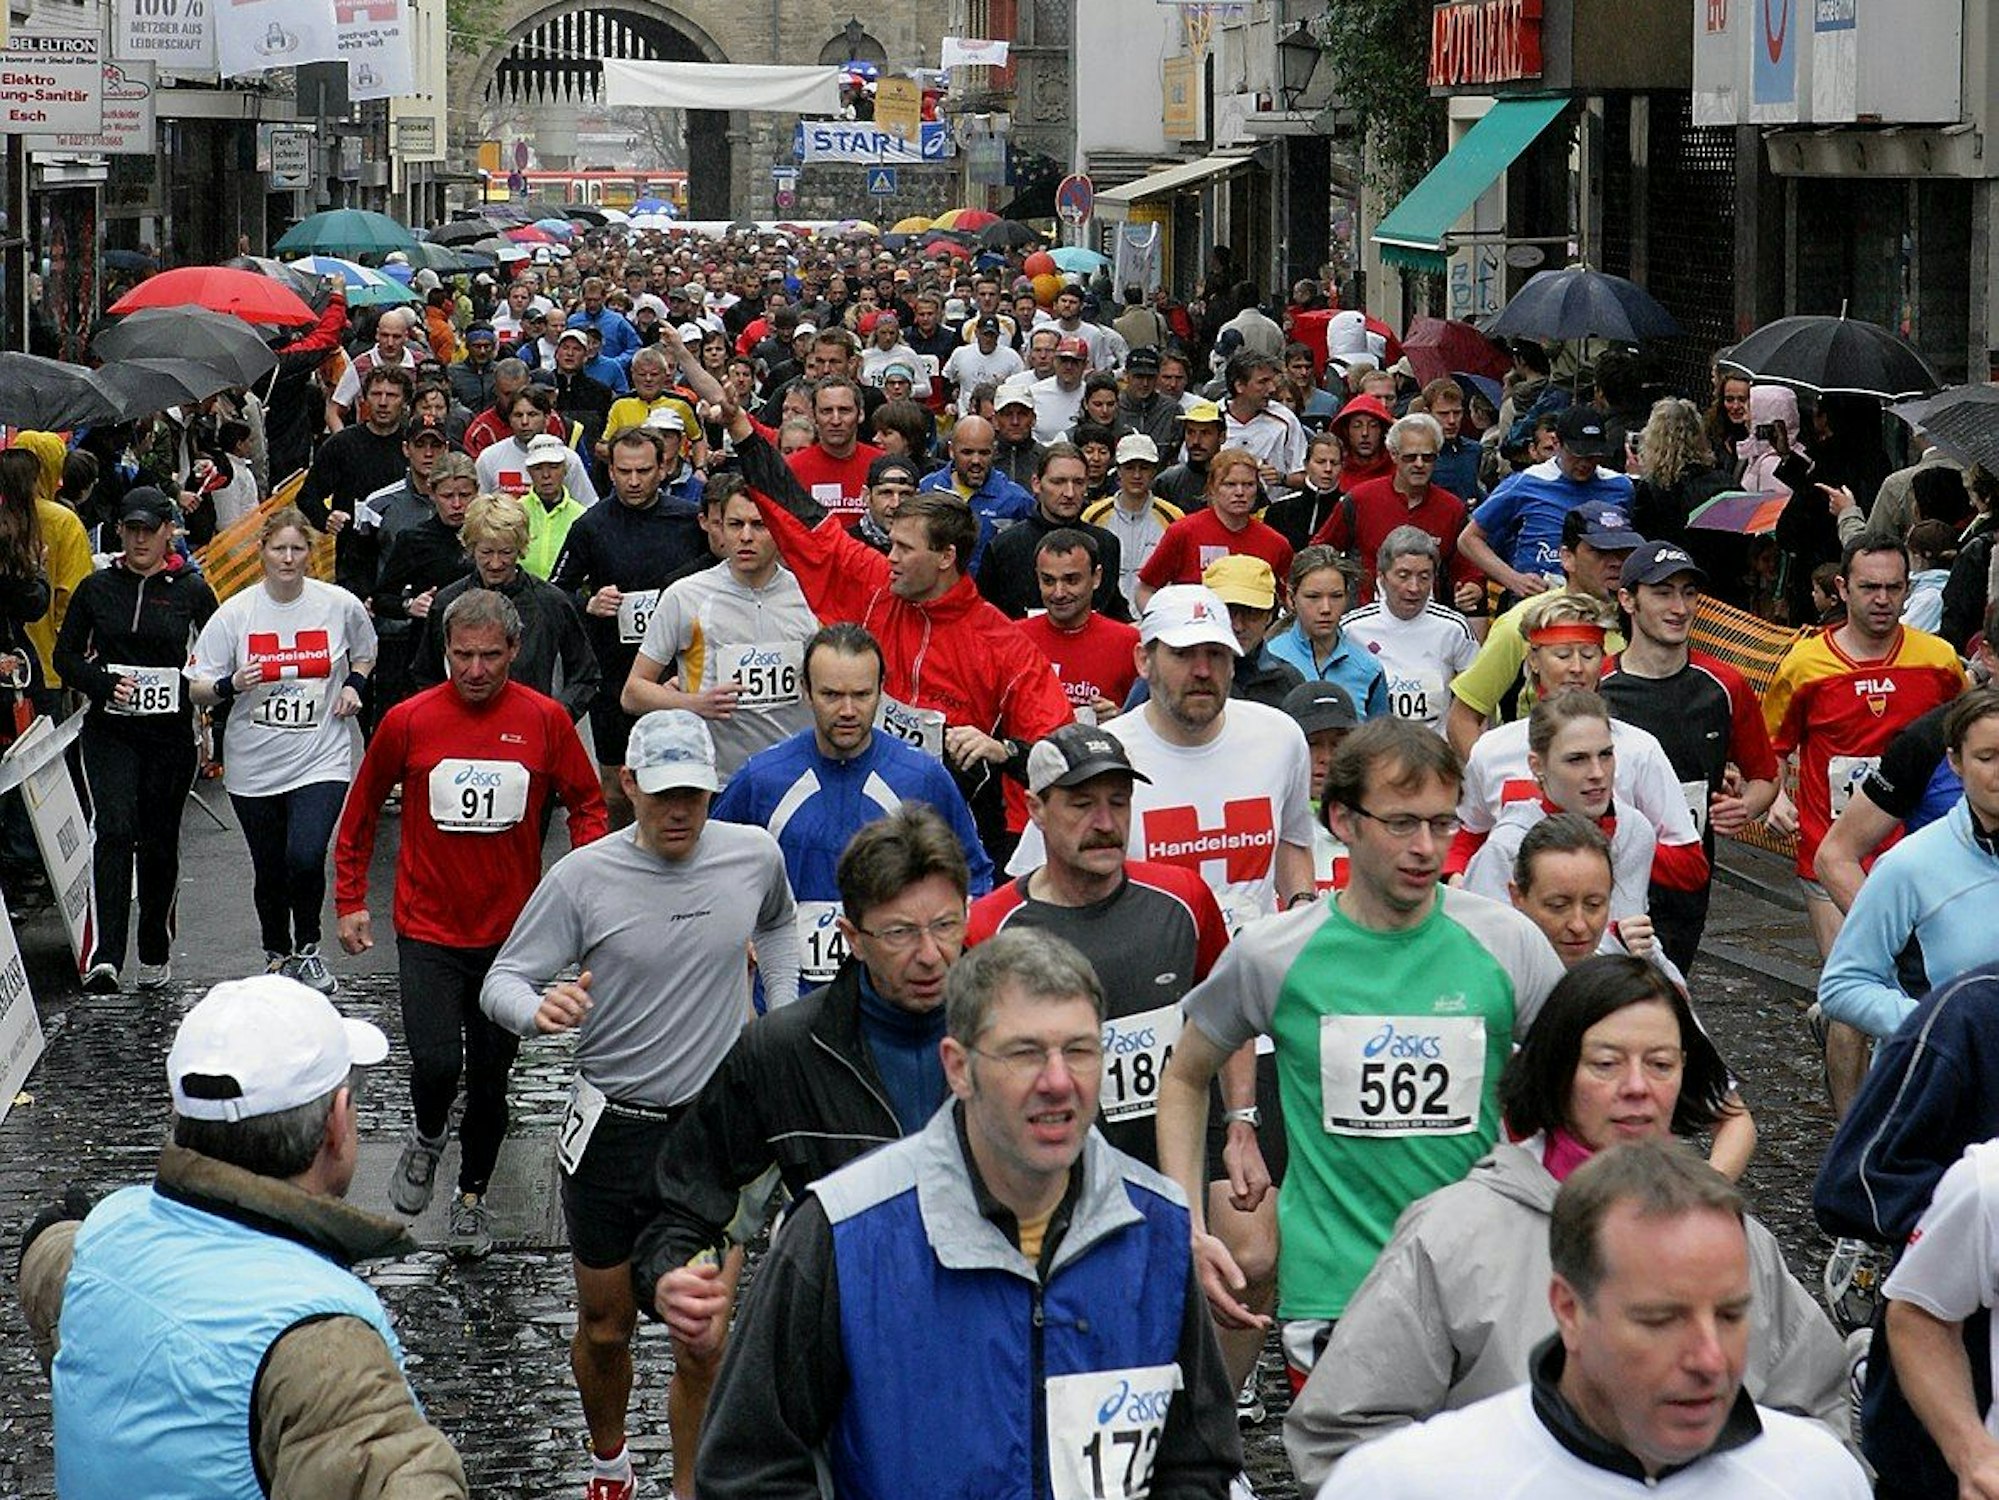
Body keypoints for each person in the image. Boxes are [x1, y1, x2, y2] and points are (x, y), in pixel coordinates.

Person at [693, 931, 1244, 1500]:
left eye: (1078, 1050)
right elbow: (744, 1471)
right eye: (1025, 1053)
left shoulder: (1157, 1228)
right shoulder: (842, 1233)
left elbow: (1198, 1462)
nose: (1058, 1082)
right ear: (958, 1068)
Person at [1284, 954, 1838, 1488]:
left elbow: (1820, 1421)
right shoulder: (1454, 1234)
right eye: (1606, 1063)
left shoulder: (1738, 1242)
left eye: (1661, 1064)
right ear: (1557, 1070)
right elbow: (1342, 1436)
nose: (1638, 1087)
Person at [1156, 718, 1563, 1386]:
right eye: (1402, 823)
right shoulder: (1275, 952)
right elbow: (1183, 1076)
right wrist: (1189, 1225)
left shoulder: (1503, 941)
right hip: (1335, 1294)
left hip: (1479, 1285)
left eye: (1440, 823)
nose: (1426, 847)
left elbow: (1581, 1077)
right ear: (1342, 821)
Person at [480, 710, 798, 1500]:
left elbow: (780, 923)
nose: (680, 811)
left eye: (693, 794)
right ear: (630, 787)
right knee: (605, 1326)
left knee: (702, 1336)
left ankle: (691, 1486)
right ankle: (609, 1463)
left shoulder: (752, 854)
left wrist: (781, 1020)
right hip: (613, 1129)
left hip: (713, 1135)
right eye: (662, 796)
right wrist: (538, 1013)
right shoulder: (583, 877)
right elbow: (501, 981)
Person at [18, 975, 469, 1497]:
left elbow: (45, 1260)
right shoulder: (324, 1344)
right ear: (338, 1124)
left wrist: (49, 1232)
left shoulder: (99, 1239)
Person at [629, 805, 973, 1421]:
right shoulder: (784, 1053)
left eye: (946, 926)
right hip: (849, 1360)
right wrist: (675, 1275)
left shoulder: (1016, 1029)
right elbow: (690, 1204)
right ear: (853, 937)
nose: (930, 955)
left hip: (994, 1340)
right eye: (899, 933)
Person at [1313, 1142, 1869, 1498]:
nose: (1711, 1359)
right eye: (1660, 1319)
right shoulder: (1406, 1483)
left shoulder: (1820, 1476)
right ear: (1568, 1311)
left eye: (1731, 1314)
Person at [335, 590, 608, 1259]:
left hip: (512, 942)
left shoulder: (544, 722)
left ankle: (471, 1199)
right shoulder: (408, 720)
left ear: (514, 652)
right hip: (427, 928)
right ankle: (428, 1136)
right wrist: (349, 899)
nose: (476, 669)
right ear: (446, 652)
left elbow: (589, 805)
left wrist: (585, 888)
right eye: (463, 656)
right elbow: (362, 810)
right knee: (433, 1063)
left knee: (491, 1081)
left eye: (490, 656)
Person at [729, 410, 1073, 847]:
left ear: (946, 557)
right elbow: (806, 522)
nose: (889, 556)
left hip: (947, 831)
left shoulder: (1003, 644)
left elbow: (1061, 752)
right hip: (856, 814)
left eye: (904, 548)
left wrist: (1003, 751)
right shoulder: (879, 585)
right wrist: (742, 432)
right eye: (890, 544)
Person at [1763, 536, 1965, 1113]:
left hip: (1919, 855)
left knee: (1910, 986)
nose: (1881, 600)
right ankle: (1850, 1135)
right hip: (1832, 852)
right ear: (1842, 589)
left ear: (1909, 589)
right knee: (1854, 986)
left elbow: (1973, 735)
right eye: (1869, 587)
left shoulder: (1938, 660)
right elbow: (1771, 748)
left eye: (1893, 588)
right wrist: (1775, 795)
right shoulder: (1804, 664)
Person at [1012, 583, 1315, 935]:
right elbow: (1035, 883)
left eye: (1216, 654)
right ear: (1144, 660)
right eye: (1183, 654)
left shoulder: (1280, 738)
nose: (1202, 670)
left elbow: (1293, 840)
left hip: (1249, 975)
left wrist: (1301, 905)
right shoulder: (1098, 757)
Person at [189, 507, 376, 994]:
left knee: (306, 854)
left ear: (310, 554)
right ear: (262, 553)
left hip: (321, 753)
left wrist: (354, 684)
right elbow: (197, 688)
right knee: (270, 865)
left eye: (297, 549)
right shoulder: (236, 613)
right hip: (254, 761)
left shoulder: (338, 604)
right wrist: (231, 683)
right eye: (279, 549)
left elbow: (366, 649)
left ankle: (309, 949)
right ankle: (277, 953)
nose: (288, 558)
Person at [56, 486, 218, 993]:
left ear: (169, 530)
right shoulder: (96, 589)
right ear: (120, 532)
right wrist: (103, 682)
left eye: (151, 530)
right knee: (115, 828)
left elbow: (216, 651)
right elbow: (65, 659)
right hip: (111, 731)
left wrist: (204, 697)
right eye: (132, 530)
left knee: (158, 840)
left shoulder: (191, 589)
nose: (141, 539)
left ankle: (154, 946)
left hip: (169, 735)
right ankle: (106, 957)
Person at [1598, 540, 1781, 973]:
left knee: (1668, 999)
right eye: (1663, 593)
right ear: (1628, 601)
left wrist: (1744, 808)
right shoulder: (1595, 684)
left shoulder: (1723, 685)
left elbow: (1765, 777)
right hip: (1604, 877)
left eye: (1689, 593)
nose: (1679, 607)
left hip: (1685, 882)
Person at [1818, 688, 1999, 1048]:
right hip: (1947, 1084)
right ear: (1955, 762)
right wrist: (1933, 1024)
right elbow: (1843, 985)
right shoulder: (1910, 864)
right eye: (1987, 757)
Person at [550, 424, 711, 827]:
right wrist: (588, 603)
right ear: (611, 471)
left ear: (663, 469)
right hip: (616, 669)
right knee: (616, 786)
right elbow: (555, 593)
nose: (634, 481)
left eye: (643, 471)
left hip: (678, 669)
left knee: (683, 773)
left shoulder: (690, 521)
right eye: (624, 471)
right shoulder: (591, 525)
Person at [620, 473, 819, 787]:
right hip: (719, 780)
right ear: (721, 529)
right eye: (735, 525)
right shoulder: (684, 595)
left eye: (759, 525)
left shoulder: (811, 595)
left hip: (798, 777)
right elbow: (633, 693)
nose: (746, 536)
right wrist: (694, 704)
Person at [1445, 505, 1641, 755]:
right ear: (1567, 557)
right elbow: (1462, 719)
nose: (1615, 563)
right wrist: (1494, 783)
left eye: (1624, 552)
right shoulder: (1522, 623)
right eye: (1600, 552)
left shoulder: (1639, 621)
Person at [1460, 691, 1659, 918]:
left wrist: (1648, 952)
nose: (1597, 772)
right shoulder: (1507, 848)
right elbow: (1480, 942)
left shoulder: (1635, 830)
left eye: (1605, 755)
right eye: (1577, 759)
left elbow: (1633, 930)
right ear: (1537, 766)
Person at [411, 493, 600, 721]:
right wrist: (445, 716)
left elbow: (585, 674)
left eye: (506, 552)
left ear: (520, 548)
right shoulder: (446, 602)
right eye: (486, 552)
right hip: (463, 727)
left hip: (530, 727)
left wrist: (557, 716)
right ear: (471, 549)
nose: (496, 563)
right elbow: (426, 673)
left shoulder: (552, 602)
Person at [1459, 406, 1637, 598]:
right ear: (1557, 443)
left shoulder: (1620, 487)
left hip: (1600, 600)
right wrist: (1512, 579)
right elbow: (1469, 539)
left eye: (1593, 455)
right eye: (1577, 454)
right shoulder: (1527, 482)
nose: (1585, 463)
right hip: (1539, 600)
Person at [1310, 413, 1482, 611]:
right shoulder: (1360, 499)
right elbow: (1319, 552)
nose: (1419, 464)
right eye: (1410, 457)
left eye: (1428, 457)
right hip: (1364, 619)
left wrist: (1472, 585)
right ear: (1393, 454)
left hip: (1428, 619)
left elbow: (1467, 567)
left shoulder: (1452, 508)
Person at [1341, 526, 1480, 734]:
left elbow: (1478, 698)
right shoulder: (1351, 629)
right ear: (1382, 577)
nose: (1414, 588)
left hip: (1435, 750)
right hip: (1374, 748)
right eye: (1403, 576)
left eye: (1424, 577)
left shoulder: (1454, 628)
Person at [976, 442, 1128, 620]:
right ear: (1037, 484)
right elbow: (984, 617)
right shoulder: (1004, 547)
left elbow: (1113, 611)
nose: (1069, 493)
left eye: (1078, 482)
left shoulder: (1106, 544)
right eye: (1058, 482)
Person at [297, 365, 414, 596]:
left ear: (405, 401)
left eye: (391, 396)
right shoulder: (343, 444)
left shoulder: (415, 444)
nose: (383, 402)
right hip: (354, 561)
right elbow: (307, 496)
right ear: (364, 398)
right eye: (376, 394)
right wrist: (326, 518)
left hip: (404, 559)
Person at [1135, 445, 1294, 610]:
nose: (1240, 492)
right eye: (1229, 484)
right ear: (1212, 488)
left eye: (1248, 484)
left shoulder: (1276, 544)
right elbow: (1145, 589)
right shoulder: (1183, 532)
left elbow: (1289, 599)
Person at [1015, 529, 1142, 725]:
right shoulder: (1014, 638)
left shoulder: (1129, 643)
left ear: (1096, 577)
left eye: (1071, 580)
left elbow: (1149, 724)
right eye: (1048, 581)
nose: (1059, 593)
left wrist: (1120, 719)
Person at [1264, 546, 1389, 715]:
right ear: (1291, 598)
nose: (1326, 608)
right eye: (1313, 597)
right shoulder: (1268, 660)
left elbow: (1380, 736)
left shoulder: (1368, 669)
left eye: (1336, 596)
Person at [912, 414, 1034, 574]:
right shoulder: (927, 490)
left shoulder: (1017, 500)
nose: (976, 461)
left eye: (984, 453)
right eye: (967, 452)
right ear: (951, 451)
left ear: (994, 451)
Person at [1084, 432, 1186, 609]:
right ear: (1118, 471)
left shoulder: (1173, 517)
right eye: (1130, 467)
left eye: (1144, 468)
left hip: (1156, 613)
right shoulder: (1093, 516)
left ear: (1154, 471)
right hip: (1107, 614)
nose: (1137, 475)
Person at [1156, 400, 1227, 510]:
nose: (1196, 441)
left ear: (1222, 437)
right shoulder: (1167, 483)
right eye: (1190, 432)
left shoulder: (1238, 481)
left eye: (1205, 433)